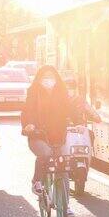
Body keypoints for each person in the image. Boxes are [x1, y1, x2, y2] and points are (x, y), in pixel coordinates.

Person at [21, 66, 75, 196]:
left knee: (64, 161)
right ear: (39, 79)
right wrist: (29, 125)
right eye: (45, 77)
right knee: (45, 154)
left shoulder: (62, 92)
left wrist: (77, 122)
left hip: (59, 134)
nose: (48, 80)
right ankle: (37, 181)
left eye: (51, 77)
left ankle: (65, 205)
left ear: (57, 78)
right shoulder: (33, 92)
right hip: (38, 134)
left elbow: (70, 110)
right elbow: (27, 111)